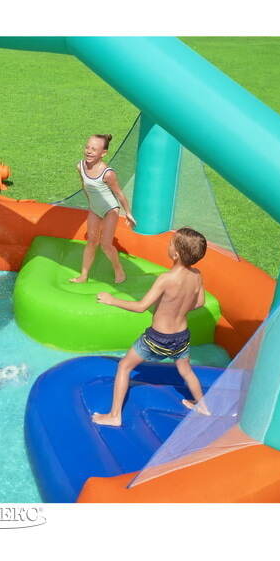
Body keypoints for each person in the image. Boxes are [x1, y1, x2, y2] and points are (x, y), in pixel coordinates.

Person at [92, 227, 211, 426]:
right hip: (181, 336)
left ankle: (114, 416)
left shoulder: (166, 279)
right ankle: (203, 406)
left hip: (158, 338)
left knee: (124, 366)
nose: (168, 244)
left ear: (176, 254)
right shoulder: (197, 275)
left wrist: (112, 300)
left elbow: (141, 307)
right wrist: (176, 309)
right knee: (186, 371)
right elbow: (199, 302)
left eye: (171, 242)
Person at [70, 134, 136, 284]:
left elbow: (119, 194)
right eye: (87, 147)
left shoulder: (108, 173)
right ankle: (83, 276)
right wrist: (91, 203)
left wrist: (128, 213)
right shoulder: (80, 166)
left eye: (94, 149)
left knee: (106, 245)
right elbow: (85, 185)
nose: (89, 151)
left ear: (103, 153)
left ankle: (119, 270)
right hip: (95, 209)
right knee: (91, 242)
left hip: (110, 210)